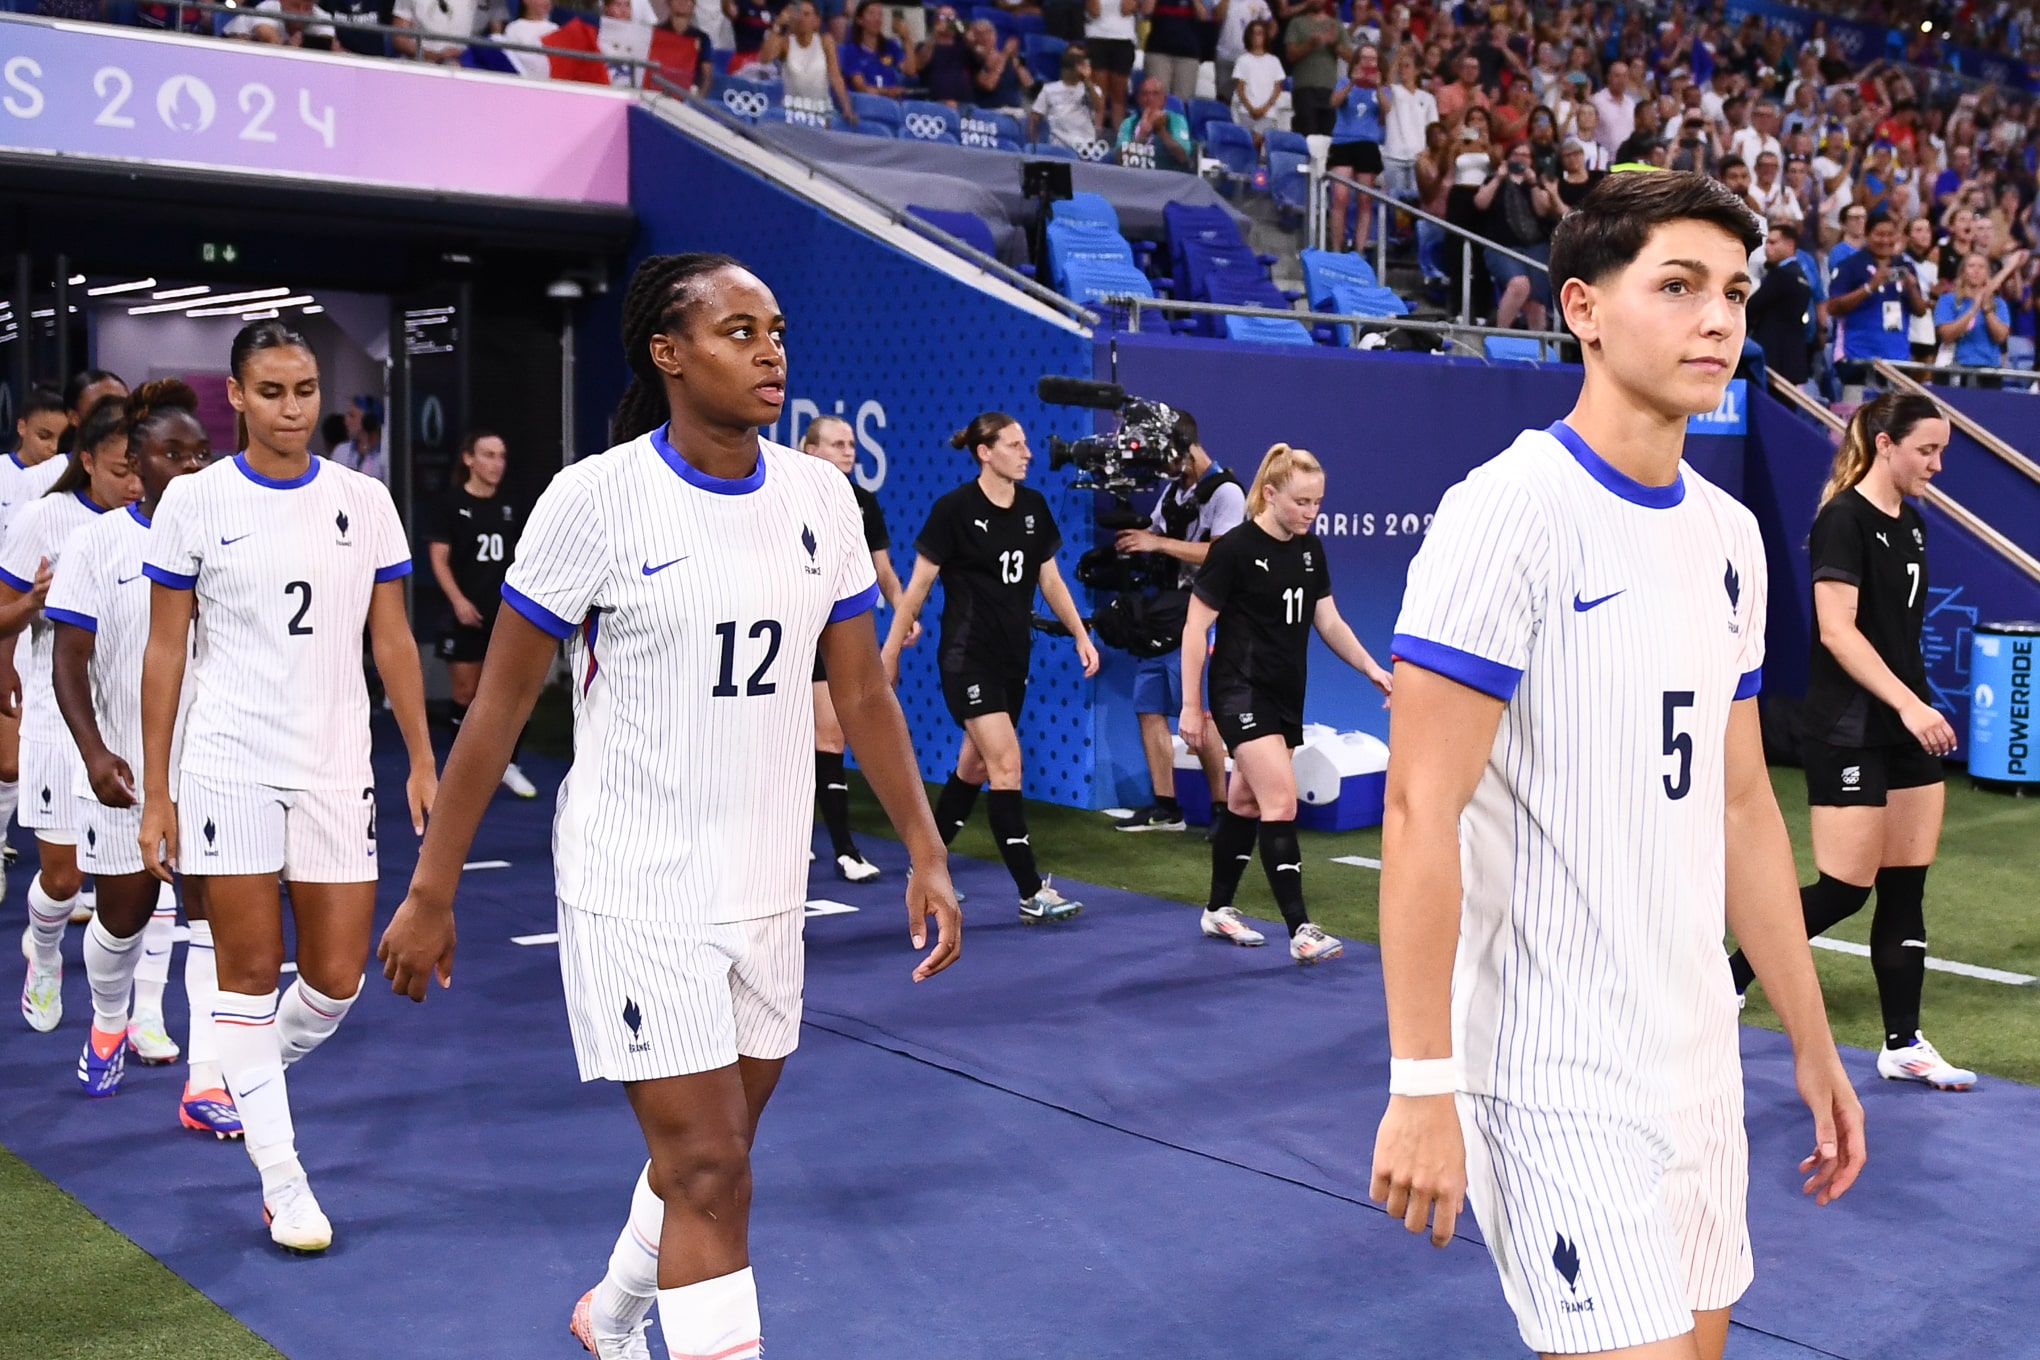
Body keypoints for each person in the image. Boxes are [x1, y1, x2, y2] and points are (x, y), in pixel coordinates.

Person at [373, 252, 961, 1360]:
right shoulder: (593, 500)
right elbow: (495, 713)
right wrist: (429, 889)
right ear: (667, 352)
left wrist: (926, 847)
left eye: (776, 327)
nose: (770, 348)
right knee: (708, 1169)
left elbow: (865, 690)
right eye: (739, 330)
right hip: (634, 884)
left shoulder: (819, 496)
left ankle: (615, 1310)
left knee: (715, 1153)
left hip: (764, 886)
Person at [1371, 171, 1863, 1360]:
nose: (1718, 321)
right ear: (1583, 308)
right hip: (1553, 1076)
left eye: (1735, 293)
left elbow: (1744, 805)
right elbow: (1416, 805)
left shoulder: (1729, 533)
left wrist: (1808, 1036)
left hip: (1695, 1054)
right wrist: (1419, 1076)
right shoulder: (1508, 512)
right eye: (1679, 286)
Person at [138, 321, 437, 1253]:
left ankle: (239, 1067)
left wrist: (424, 756)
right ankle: (284, 1180)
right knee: (250, 972)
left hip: (339, 760)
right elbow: (165, 649)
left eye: (304, 389)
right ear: (235, 396)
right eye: (271, 391)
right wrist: (158, 792)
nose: (292, 407)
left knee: (339, 978)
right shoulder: (196, 501)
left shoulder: (365, 499)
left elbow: (391, 638)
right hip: (228, 760)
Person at [1726, 394, 1977, 1091]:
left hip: (1904, 729)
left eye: (1942, 452)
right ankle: (1728, 977)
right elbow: (1837, 632)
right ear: (1887, 444)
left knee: (1906, 886)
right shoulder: (1843, 521)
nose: (1936, 464)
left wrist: (1913, 707)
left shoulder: (1916, 526)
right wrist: (1906, 705)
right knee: (1843, 889)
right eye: (1927, 450)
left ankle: (1903, 1045)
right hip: (1848, 728)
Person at [46, 381, 241, 1133]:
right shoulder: (100, 541)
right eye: (173, 453)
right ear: (137, 461)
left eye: (201, 452)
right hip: (125, 771)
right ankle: (105, 1022)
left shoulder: (229, 533)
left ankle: (208, 1080)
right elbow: (69, 659)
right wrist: (94, 751)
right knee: (121, 922)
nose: (192, 465)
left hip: (216, 766)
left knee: (211, 920)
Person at [880, 412, 1099, 924]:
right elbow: (917, 588)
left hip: (1012, 659)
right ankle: (1030, 890)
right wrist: (889, 652)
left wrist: (1081, 635)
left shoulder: (1033, 508)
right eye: (1016, 444)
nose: (1027, 453)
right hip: (966, 659)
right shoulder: (953, 510)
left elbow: (1052, 582)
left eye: (1025, 445)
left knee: (973, 768)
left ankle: (924, 866)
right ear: (985, 452)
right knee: (1006, 764)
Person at [1179, 444, 1391, 962]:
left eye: (1317, 502)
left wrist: (1371, 670)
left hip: (1283, 694)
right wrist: (1189, 706)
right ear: (1270, 494)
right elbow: (1194, 628)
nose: (1310, 512)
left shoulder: (1308, 549)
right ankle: (1301, 930)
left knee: (1246, 803)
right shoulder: (1232, 549)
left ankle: (1217, 910)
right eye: (1301, 502)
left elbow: (1329, 622)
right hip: (1238, 692)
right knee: (1282, 803)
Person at [7, 396, 144, 1033]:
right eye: (120, 469)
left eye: (139, 469)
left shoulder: (161, 523)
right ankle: (42, 950)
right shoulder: (44, 519)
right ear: (86, 461)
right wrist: (32, 605)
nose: (133, 483)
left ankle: (133, 1018)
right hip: (58, 721)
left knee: (139, 880)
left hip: (133, 723)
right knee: (63, 878)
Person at [1109, 411, 1243, 833]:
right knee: (1148, 707)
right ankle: (1167, 807)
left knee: (1201, 716)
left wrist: (1157, 543)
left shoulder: (1228, 494)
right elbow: (1155, 534)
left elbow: (1221, 554)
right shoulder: (1174, 492)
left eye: (1165, 458)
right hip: (1166, 613)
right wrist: (1134, 538)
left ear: (1186, 449)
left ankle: (1222, 808)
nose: (1161, 468)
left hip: (1205, 615)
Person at [801, 414, 912, 882]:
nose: (850, 452)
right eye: (838, 444)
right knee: (782, 743)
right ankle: (788, 836)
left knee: (830, 737)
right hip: (784, 634)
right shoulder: (780, 495)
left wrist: (903, 612)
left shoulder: (862, 502)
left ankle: (845, 849)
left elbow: (881, 568)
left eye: (852, 444)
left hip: (834, 635)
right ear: (810, 450)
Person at [426, 431, 537, 800]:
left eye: (501, 456)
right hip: (464, 612)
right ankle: (467, 768)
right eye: (488, 455)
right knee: (466, 693)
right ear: (469, 459)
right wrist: (457, 600)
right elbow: (438, 558)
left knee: (511, 691)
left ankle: (509, 764)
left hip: (503, 614)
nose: (496, 464)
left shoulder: (512, 506)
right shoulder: (451, 504)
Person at [0, 385, 71, 861]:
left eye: (59, 438)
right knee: (7, 761)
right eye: (43, 435)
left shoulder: (65, 480)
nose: (50, 446)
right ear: (21, 426)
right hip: (7, 613)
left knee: (11, 764)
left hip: (35, 624)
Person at [1474, 138, 1558, 332]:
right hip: (1501, 246)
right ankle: (1499, 334)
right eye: (1516, 155)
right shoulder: (1494, 179)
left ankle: (1539, 351)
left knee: (1536, 302)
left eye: (1526, 156)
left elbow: (1543, 210)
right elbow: (1480, 203)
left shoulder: (1536, 182)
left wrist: (1533, 184)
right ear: (1508, 158)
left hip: (1535, 247)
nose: (1521, 159)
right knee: (1519, 285)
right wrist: (1498, 178)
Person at [1828, 212, 1927, 369]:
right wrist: (1869, 287)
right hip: (1857, 356)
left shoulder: (1904, 266)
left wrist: (1912, 286)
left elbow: (1921, 311)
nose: (1886, 240)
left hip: (1897, 357)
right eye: (1880, 235)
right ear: (1867, 236)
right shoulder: (1850, 265)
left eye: (1890, 235)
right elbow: (1832, 307)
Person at [1327, 45, 1388, 254]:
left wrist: (1378, 88)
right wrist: (1353, 81)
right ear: (1356, 61)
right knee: (1340, 196)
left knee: (1365, 199)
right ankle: (1336, 246)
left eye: (1372, 59)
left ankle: (1359, 250)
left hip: (1368, 143)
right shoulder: (1344, 82)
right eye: (1364, 58)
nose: (1368, 63)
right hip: (1343, 141)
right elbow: (1334, 102)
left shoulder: (1382, 88)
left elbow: (1384, 114)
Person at [1934, 250, 2024, 379]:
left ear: (1987, 273)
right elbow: (1947, 335)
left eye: (1981, 267)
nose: (1976, 270)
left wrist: (1987, 310)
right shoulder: (1947, 300)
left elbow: (2000, 337)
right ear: (1963, 272)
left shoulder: (1999, 303)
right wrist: (1972, 310)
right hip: (1955, 368)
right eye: (1971, 266)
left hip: (1989, 370)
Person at [1747, 221, 1814, 387]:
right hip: (1793, 358)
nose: (1767, 248)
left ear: (1790, 244)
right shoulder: (1801, 275)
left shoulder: (1782, 275)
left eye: (1773, 242)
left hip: (1773, 358)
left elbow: (1753, 307)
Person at [838, 0, 920, 97]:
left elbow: (910, 71)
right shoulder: (852, 49)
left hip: (892, 104)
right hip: (867, 104)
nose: (877, 19)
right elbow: (860, 86)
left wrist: (906, 39)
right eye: (871, 13)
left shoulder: (890, 45)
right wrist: (886, 92)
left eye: (880, 14)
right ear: (859, 20)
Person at [1228, 21, 1286, 153]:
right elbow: (1240, 88)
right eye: (1253, 34)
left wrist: (1265, 108)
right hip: (1246, 111)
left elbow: (1277, 88)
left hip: (1267, 112)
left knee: (1257, 140)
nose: (1256, 37)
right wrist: (1250, 108)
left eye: (1259, 34)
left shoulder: (1274, 61)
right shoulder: (1243, 60)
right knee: (1246, 144)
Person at [1083, 0, 1139, 135]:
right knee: (1098, 93)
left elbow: (1127, 9)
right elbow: (1094, 11)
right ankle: (1094, 136)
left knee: (1119, 95)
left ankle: (1119, 139)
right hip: (1097, 38)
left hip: (1123, 39)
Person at [1116, 75, 1195, 171]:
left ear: (1164, 99)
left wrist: (1161, 131)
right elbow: (1119, 159)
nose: (1150, 98)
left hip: (1167, 177)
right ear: (1139, 99)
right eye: (1145, 94)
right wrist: (1142, 135)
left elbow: (1183, 157)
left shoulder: (1176, 120)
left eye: (1155, 94)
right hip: (1136, 176)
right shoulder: (1129, 122)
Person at [1031, 46, 1102, 152]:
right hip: (1058, 147)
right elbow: (1034, 118)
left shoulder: (1092, 89)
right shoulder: (1049, 90)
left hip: (1086, 147)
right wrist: (1034, 146)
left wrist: (1087, 80)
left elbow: (1098, 107)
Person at [1138, 0, 1209, 105]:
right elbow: (1146, 11)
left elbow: (1203, 16)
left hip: (1188, 54)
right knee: (1156, 98)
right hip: (1158, 51)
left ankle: (1176, 122)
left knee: (1182, 102)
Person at [329, 396, 387, 484]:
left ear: (368, 421)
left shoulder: (385, 455)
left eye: (352, 416)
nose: (345, 421)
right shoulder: (341, 451)